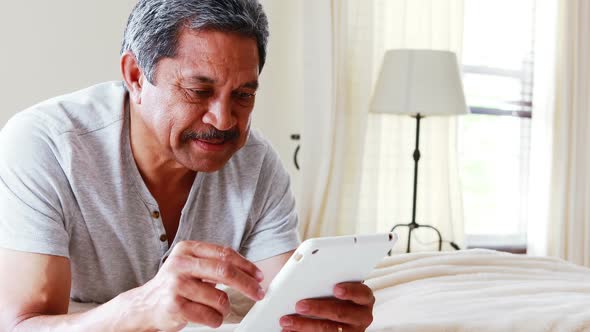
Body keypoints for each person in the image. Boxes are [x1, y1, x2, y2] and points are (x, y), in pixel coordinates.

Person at [0, 0, 375, 331]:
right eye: (199, 92)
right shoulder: (45, 146)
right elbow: (21, 325)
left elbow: (281, 305)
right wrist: (143, 308)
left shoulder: (256, 164)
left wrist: (321, 317)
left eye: (243, 95)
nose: (224, 120)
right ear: (135, 76)